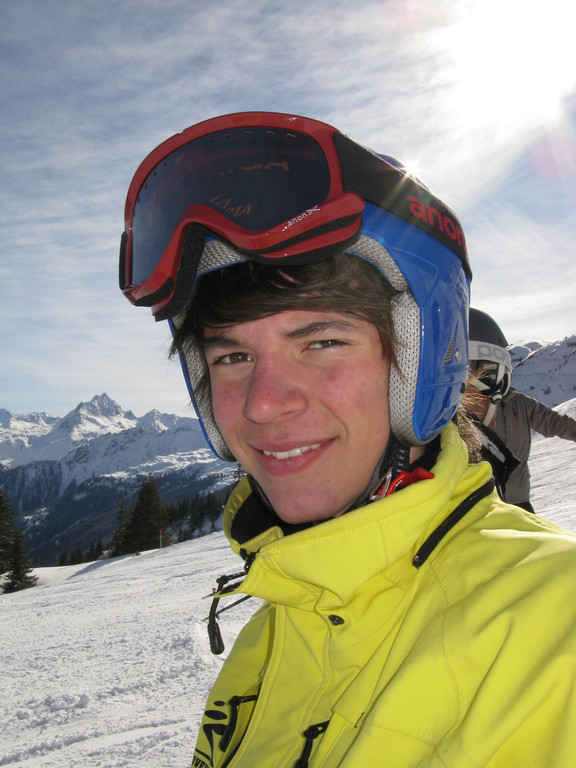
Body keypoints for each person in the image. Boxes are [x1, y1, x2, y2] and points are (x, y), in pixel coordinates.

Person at [119, 112, 576, 767]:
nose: (263, 403)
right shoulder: (270, 636)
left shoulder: (555, 624)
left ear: (423, 363)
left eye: (323, 342)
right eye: (232, 357)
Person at [468, 307, 576, 512]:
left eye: (492, 371)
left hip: (518, 500)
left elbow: (554, 422)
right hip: (481, 505)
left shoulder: (519, 404)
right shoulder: (456, 414)